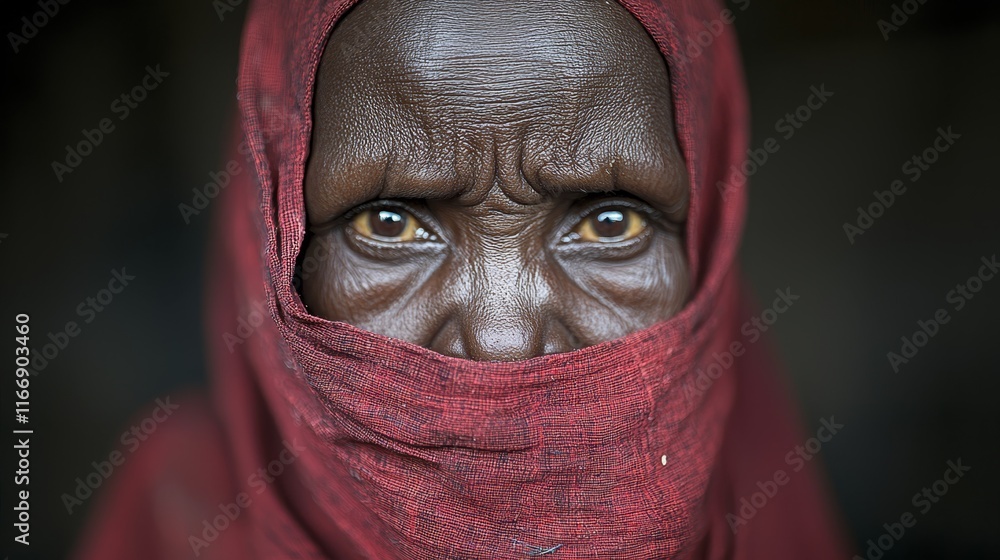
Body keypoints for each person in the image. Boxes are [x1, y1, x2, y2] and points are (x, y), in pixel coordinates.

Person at [75, 0, 848, 558]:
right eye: (390, 225)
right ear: (270, 247)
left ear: (706, 255)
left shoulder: (766, 501)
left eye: (610, 224)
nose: (504, 341)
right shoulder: (177, 520)